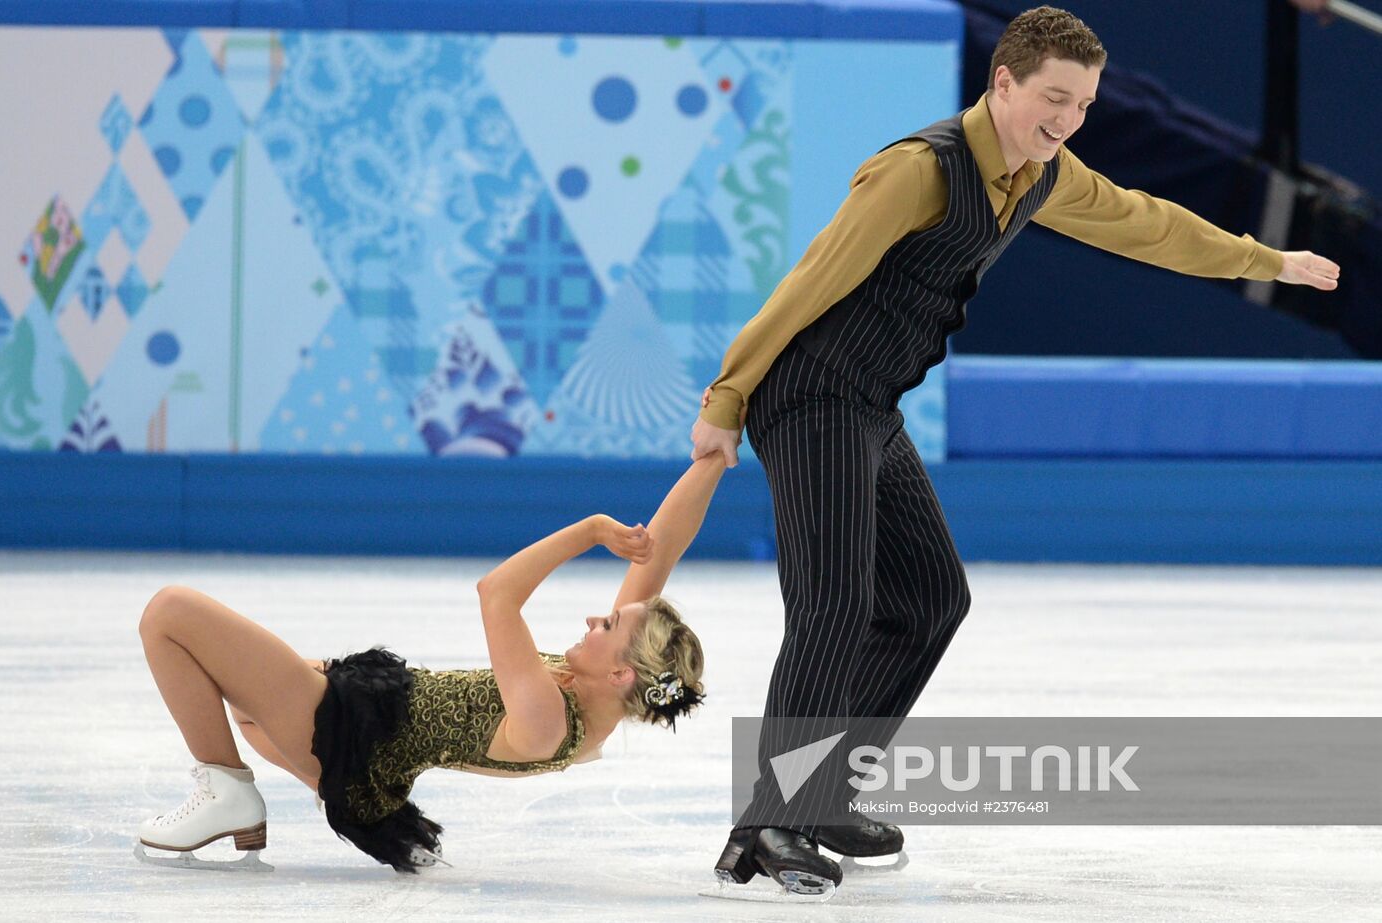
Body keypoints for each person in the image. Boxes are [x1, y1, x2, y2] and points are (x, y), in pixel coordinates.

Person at [690, 5, 1341, 900]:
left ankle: (826, 789)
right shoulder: (918, 170)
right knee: (835, 604)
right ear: (1002, 82)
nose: (1068, 121)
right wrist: (727, 397)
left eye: (1082, 106)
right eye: (1053, 99)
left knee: (930, 599)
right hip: (811, 397)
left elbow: (1146, 221)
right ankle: (768, 823)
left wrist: (1265, 259)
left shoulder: (1042, 173)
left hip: (870, 403)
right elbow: (813, 277)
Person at [135, 453, 724, 873]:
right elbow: (662, 546)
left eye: (608, 625)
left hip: (350, 733)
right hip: (372, 715)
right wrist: (716, 453)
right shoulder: (600, 688)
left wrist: (592, 530)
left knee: (169, 613)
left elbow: (496, 592)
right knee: (246, 708)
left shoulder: (549, 719)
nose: (595, 620)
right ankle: (329, 789)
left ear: (622, 673)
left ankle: (228, 791)